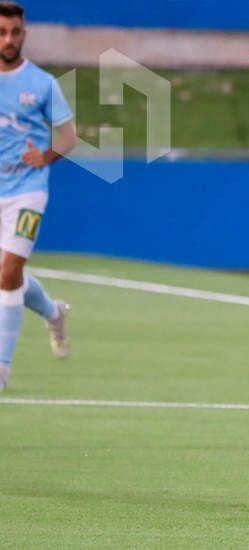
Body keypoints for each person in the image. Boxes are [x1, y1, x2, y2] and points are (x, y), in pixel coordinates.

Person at [0, 1, 75, 391]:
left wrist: (43, 157)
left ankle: (2, 366)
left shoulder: (42, 84)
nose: (9, 39)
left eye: (15, 32)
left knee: (7, 273)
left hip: (28, 192)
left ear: (24, 34)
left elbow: (68, 138)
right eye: (2, 32)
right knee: (7, 276)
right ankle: (52, 311)